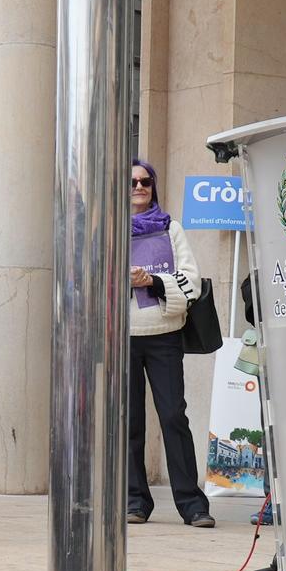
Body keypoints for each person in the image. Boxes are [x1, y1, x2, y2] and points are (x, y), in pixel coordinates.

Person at [123, 158, 215, 529]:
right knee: (129, 421)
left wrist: (153, 282)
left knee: (174, 417)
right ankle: (135, 501)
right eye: (132, 182)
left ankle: (192, 505)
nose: (139, 187)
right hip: (121, 336)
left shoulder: (170, 228)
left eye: (146, 181)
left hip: (163, 335)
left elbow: (191, 280)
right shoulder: (109, 228)